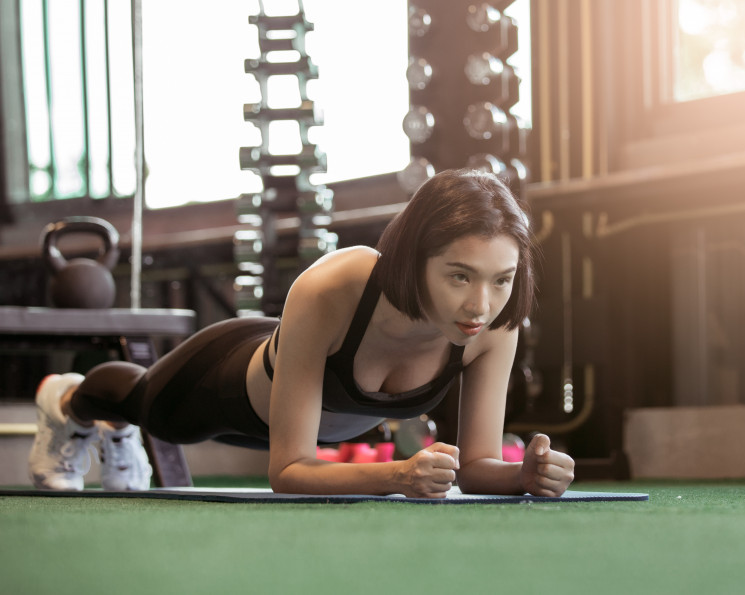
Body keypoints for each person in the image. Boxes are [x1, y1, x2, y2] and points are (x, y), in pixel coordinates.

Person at [29, 169, 575, 498]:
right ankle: (69, 401)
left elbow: (478, 468)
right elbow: (288, 470)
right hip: (228, 386)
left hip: (305, 396)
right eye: (459, 276)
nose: (480, 305)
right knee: (140, 400)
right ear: (414, 259)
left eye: (501, 280)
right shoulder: (336, 284)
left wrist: (524, 476)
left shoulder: (493, 324)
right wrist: (399, 475)